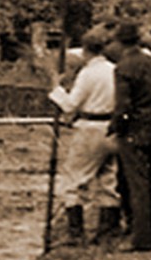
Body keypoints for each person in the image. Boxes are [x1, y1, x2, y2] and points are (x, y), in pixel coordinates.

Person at [49, 25, 119, 245]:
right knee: (108, 178)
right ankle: (107, 230)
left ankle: (75, 233)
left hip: (90, 127)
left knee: (74, 179)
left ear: (87, 51)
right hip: (111, 127)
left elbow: (70, 105)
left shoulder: (88, 74)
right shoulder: (114, 70)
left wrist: (55, 87)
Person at [109, 20, 151, 251]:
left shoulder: (123, 68)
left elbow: (123, 106)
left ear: (120, 43)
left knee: (138, 185)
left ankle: (142, 238)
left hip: (135, 130)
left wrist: (117, 128)